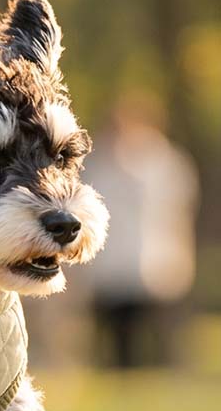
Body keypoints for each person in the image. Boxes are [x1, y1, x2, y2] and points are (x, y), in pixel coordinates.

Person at [85, 92, 199, 368]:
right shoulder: (97, 164)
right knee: (116, 336)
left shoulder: (164, 163)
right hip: (110, 267)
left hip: (154, 263)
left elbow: (177, 210)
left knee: (155, 336)